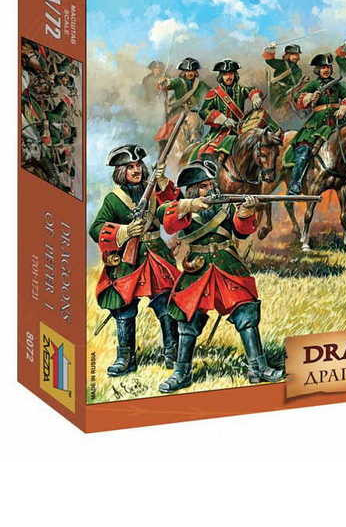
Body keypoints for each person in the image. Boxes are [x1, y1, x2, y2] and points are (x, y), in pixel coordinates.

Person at [157, 160, 283, 392]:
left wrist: (245, 212)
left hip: (227, 265)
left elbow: (242, 232)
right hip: (198, 268)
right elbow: (168, 221)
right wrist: (189, 205)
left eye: (210, 185)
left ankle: (258, 367)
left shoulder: (225, 206)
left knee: (246, 313)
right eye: (203, 186)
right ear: (193, 190)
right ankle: (181, 372)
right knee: (188, 319)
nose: (210, 190)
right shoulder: (182, 207)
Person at [88, 145, 181, 376]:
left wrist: (162, 181)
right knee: (123, 308)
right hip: (128, 261)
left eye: (138, 165)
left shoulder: (154, 190)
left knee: (166, 303)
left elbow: (175, 208)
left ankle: (173, 353)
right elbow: (96, 229)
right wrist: (125, 231)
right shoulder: (114, 200)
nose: (136, 170)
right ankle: (125, 358)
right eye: (130, 167)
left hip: (156, 255)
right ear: (121, 171)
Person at [288, 54, 346, 194]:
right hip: (317, 122)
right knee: (304, 150)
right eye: (323, 67)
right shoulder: (313, 84)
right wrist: (310, 97)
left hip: (337, 120)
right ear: (318, 69)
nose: (326, 70)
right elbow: (298, 97)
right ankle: (296, 183)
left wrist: (344, 108)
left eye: (328, 67)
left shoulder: (337, 85)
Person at [195, 59, 263, 163]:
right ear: (221, 76)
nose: (228, 77)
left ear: (235, 75)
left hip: (240, 128)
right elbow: (203, 111)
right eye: (225, 74)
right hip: (220, 131)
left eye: (231, 74)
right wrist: (223, 120)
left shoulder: (241, 90)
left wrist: (255, 97)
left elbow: (252, 90)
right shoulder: (214, 93)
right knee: (211, 153)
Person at [153, 57, 209, 150]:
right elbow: (169, 83)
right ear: (183, 72)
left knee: (195, 121)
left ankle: (195, 143)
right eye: (187, 71)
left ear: (196, 72)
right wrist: (163, 82)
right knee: (165, 135)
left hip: (196, 113)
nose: (190, 73)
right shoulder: (179, 82)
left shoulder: (201, 85)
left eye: (192, 71)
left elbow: (209, 96)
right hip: (179, 113)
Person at [263, 43, 304, 109]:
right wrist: (271, 49)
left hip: (290, 91)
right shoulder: (281, 64)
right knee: (274, 107)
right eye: (294, 54)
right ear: (288, 55)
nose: (296, 57)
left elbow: (296, 82)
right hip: (277, 91)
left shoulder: (297, 69)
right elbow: (269, 60)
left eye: (297, 55)